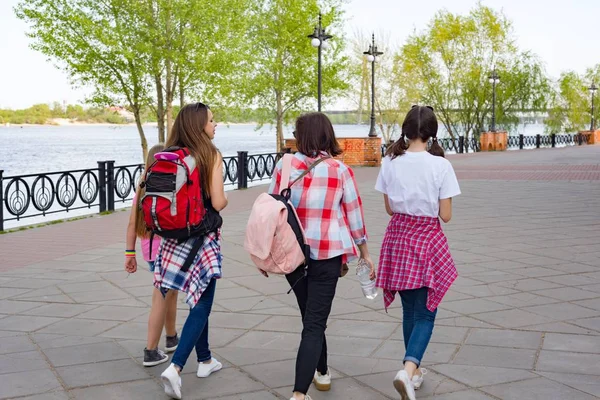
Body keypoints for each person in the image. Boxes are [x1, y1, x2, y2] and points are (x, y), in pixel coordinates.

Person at [267, 112, 375, 400]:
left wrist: (265, 250)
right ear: (327, 134)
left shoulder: (285, 165)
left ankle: (322, 371)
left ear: (301, 136)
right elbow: (354, 215)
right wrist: (364, 252)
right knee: (315, 321)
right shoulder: (340, 171)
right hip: (327, 254)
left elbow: (270, 210)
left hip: (293, 254)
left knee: (310, 317)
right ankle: (299, 394)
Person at [375, 105, 460, 400]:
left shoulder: (390, 160)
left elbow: (388, 208)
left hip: (397, 238)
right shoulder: (440, 166)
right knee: (426, 313)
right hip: (426, 239)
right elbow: (445, 215)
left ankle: (415, 372)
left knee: (410, 309)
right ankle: (407, 370)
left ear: (406, 130)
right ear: (432, 133)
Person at [155, 103, 228, 400]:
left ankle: (206, 359)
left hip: (173, 239)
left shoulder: (171, 153)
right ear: (200, 126)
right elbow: (219, 201)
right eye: (211, 120)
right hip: (200, 240)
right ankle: (175, 368)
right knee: (203, 303)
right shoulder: (210, 154)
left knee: (198, 300)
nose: (215, 125)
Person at [125, 143, 180, 367]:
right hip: (168, 249)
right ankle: (150, 350)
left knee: (170, 294)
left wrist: (130, 253)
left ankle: (171, 336)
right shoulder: (170, 184)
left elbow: (131, 223)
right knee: (161, 297)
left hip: (149, 251)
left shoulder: (142, 186)